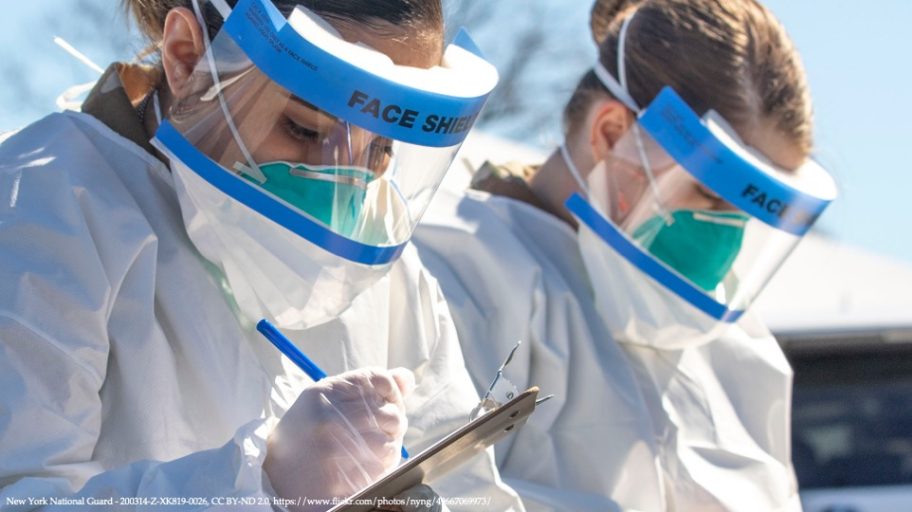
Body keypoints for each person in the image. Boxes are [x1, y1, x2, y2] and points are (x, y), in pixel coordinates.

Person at [0, 0, 521, 510]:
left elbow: (471, 488)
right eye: (306, 129)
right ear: (188, 58)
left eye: (382, 148)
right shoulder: (44, 200)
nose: (343, 181)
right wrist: (258, 488)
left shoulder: (386, 271)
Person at [413, 0, 837, 510]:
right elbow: (425, 496)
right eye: (711, 196)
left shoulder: (739, 352)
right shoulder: (458, 273)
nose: (727, 233)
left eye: (746, 213)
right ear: (612, 134)